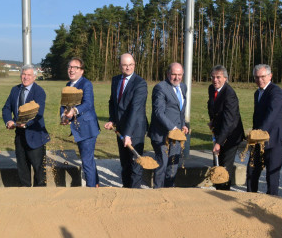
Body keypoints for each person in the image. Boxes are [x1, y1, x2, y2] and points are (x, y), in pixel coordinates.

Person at [104, 53, 148, 188]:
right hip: (120, 128)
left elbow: (135, 110)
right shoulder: (116, 80)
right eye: (125, 65)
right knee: (124, 163)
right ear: (119, 66)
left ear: (134, 65)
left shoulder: (140, 83)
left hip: (135, 129)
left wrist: (128, 134)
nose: (128, 68)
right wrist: (112, 120)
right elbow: (112, 102)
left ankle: (134, 194)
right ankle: (126, 190)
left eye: (131, 65)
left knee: (135, 165)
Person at [2, 64, 50, 187]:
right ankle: (25, 196)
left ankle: (40, 198)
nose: (26, 77)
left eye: (29, 75)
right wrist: (8, 121)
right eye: (24, 74)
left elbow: (39, 113)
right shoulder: (15, 90)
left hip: (35, 136)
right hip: (19, 136)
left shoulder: (39, 92)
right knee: (22, 169)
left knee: (39, 171)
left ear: (34, 77)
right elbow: (6, 108)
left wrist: (25, 123)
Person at [246, 64, 282, 196]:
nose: (260, 80)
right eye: (257, 77)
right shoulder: (257, 93)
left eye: (263, 77)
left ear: (270, 76)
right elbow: (258, 116)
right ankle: (250, 197)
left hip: (275, 139)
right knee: (251, 171)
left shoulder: (276, 92)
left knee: (272, 174)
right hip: (259, 139)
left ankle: (272, 202)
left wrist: (258, 133)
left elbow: (272, 114)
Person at [60, 57, 100, 187]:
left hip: (87, 128)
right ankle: (96, 184)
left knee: (87, 162)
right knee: (88, 159)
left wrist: (74, 111)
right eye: (69, 67)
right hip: (78, 128)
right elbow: (64, 105)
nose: (71, 70)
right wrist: (64, 116)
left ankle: (91, 190)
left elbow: (88, 104)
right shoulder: (68, 85)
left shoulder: (86, 84)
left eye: (75, 67)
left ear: (81, 71)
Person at [148, 62, 188, 188]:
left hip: (176, 135)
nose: (177, 78)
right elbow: (158, 112)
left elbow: (180, 110)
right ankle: (158, 193)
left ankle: (169, 191)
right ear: (168, 74)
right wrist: (173, 128)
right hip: (161, 135)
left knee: (173, 164)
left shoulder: (183, 87)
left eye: (179, 75)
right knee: (162, 164)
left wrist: (183, 125)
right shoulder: (160, 88)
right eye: (174, 74)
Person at [207, 65, 245, 190]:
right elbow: (211, 105)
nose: (215, 80)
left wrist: (218, 143)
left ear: (225, 78)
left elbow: (229, 121)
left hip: (231, 135)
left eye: (218, 77)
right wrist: (212, 121)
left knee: (224, 168)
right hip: (219, 131)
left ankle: (224, 193)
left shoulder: (230, 94)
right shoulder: (211, 89)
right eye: (213, 77)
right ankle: (218, 191)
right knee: (216, 165)